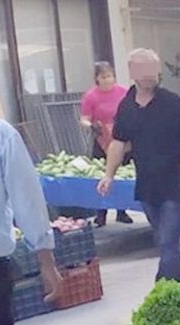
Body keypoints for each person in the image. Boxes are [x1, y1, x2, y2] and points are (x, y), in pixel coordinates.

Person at [98, 48, 180, 282]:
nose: (149, 75)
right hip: (146, 187)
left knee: (168, 241)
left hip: (176, 184)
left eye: (152, 69)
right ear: (132, 72)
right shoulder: (126, 106)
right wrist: (108, 175)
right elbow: (118, 142)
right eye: (143, 69)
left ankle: (166, 288)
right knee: (166, 243)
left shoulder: (173, 103)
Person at [0, 117, 64, 325]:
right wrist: (47, 262)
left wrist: (47, 262)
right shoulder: (0, 135)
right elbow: (27, 200)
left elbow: (27, 200)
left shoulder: (1, 135)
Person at [80, 61, 133, 227]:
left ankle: (121, 211)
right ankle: (101, 213)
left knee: (121, 173)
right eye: (104, 77)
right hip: (102, 139)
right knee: (102, 173)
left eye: (110, 76)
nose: (108, 80)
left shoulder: (124, 92)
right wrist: (91, 126)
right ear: (97, 78)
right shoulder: (91, 96)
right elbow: (84, 119)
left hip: (122, 139)